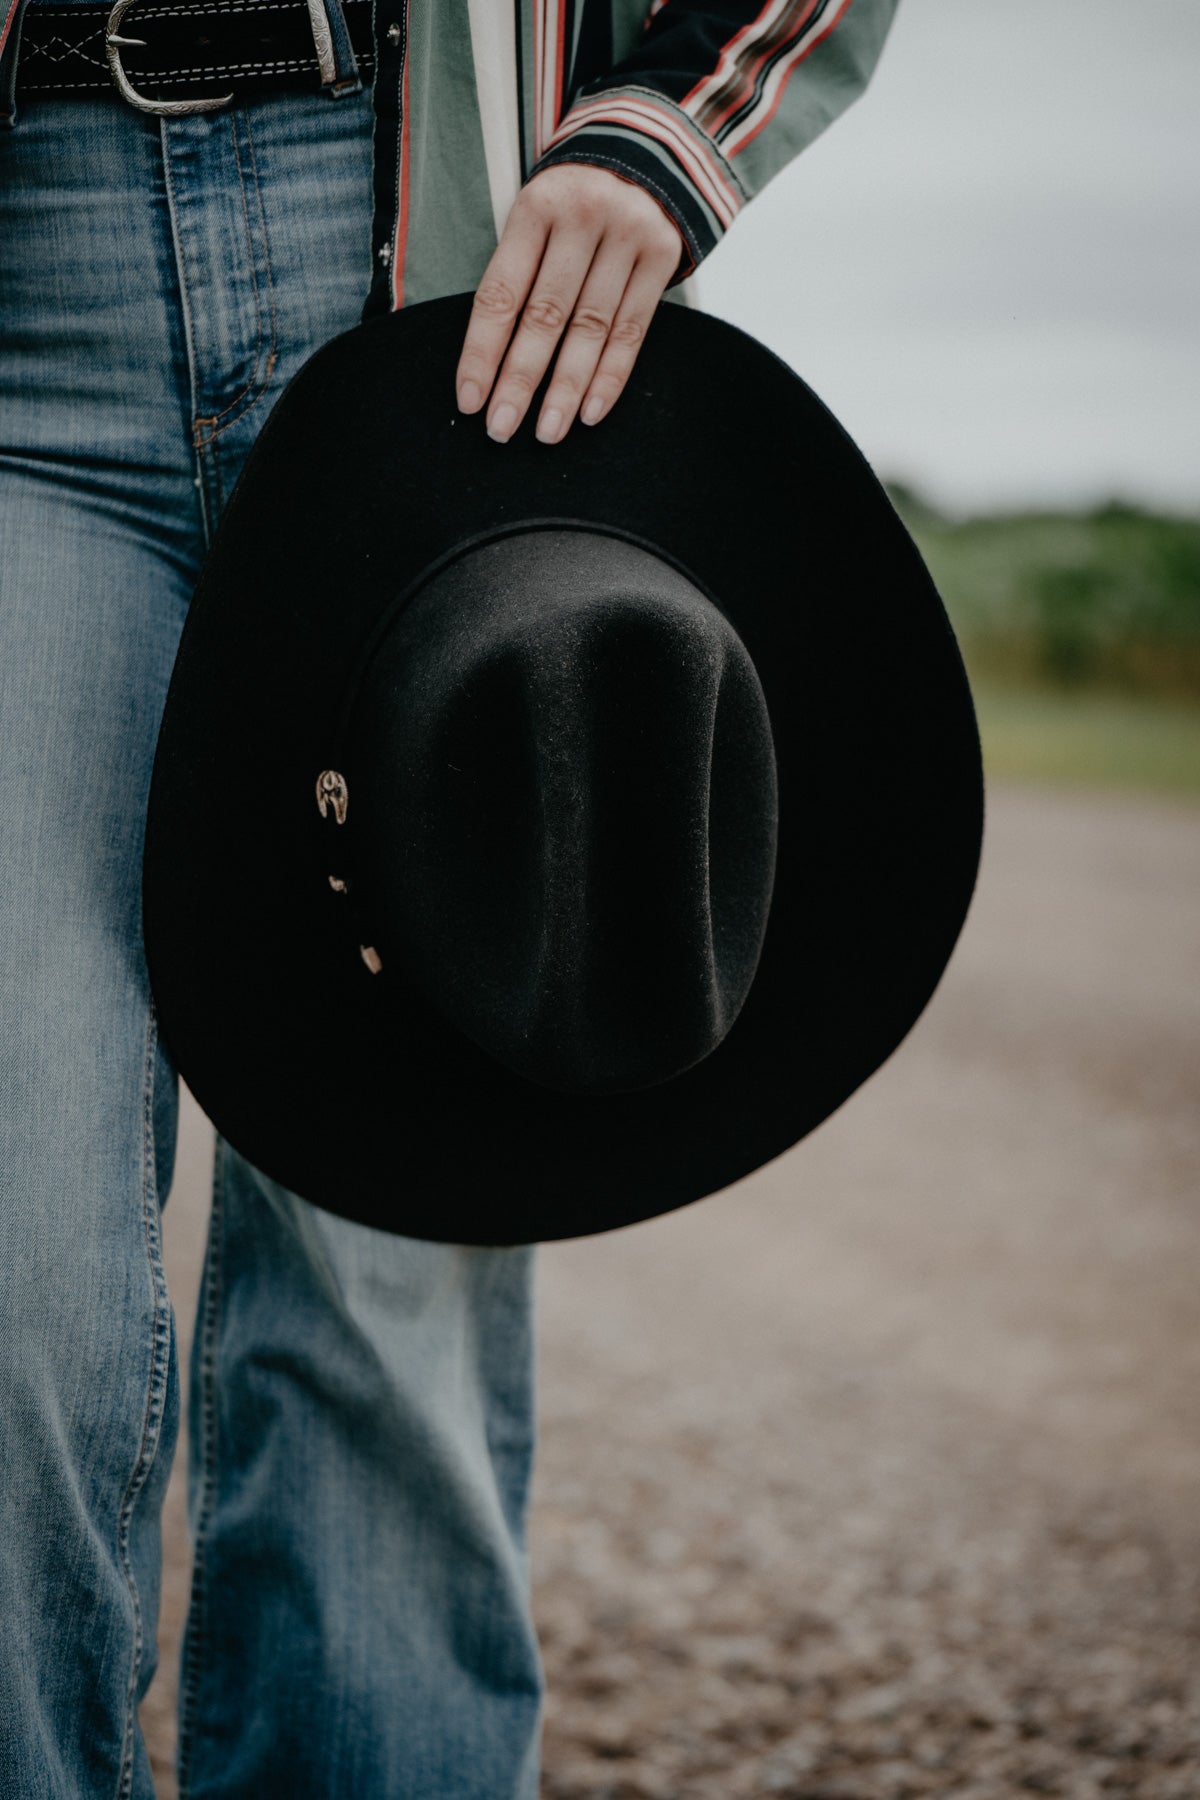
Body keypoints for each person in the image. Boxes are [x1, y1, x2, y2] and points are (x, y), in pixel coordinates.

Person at [0, 1, 898, 1793]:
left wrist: (675, 125)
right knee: (15, 1236)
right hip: (36, 299)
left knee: (390, 1275)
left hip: (465, 309)